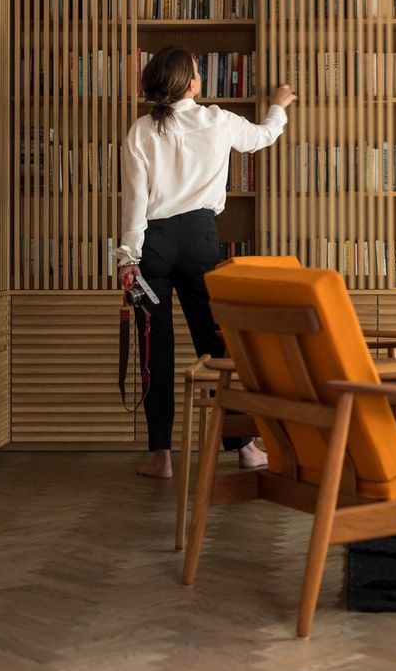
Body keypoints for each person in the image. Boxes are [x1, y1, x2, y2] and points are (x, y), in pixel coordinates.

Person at [116, 45, 296, 479]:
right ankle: (246, 449)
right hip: (200, 240)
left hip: (153, 243)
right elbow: (262, 137)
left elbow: (134, 204)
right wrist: (279, 107)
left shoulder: (140, 130)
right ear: (191, 83)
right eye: (198, 71)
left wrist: (127, 258)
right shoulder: (218, 120)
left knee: (153, 352)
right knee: (217, 346)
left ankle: (161, 457)